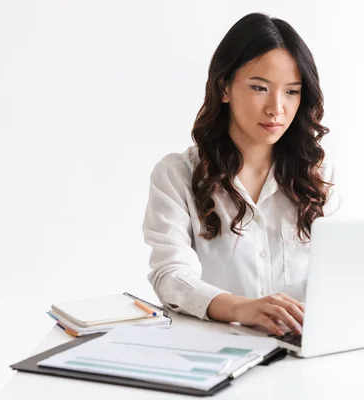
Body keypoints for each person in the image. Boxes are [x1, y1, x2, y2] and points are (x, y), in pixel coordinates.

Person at [142, 12, 340, 337]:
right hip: (216, 355)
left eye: (292, 91)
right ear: (224, 87)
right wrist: (242, 308)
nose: (277, 107)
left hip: (303, 353)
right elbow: (171, 276)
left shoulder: (318, 175)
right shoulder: (177, 175)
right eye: (260, 87)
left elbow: (340, 273)